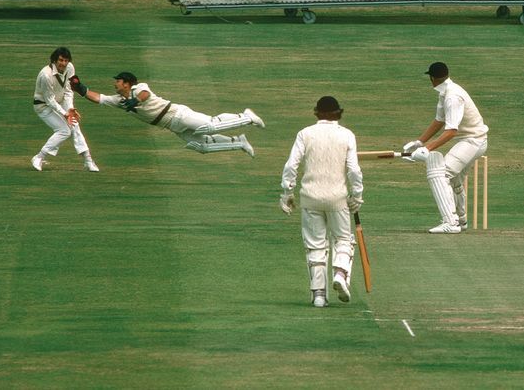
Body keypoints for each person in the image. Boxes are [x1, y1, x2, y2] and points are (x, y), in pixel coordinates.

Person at [280, 96, 363, 308]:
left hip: (310, 197)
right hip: (337, 198)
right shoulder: (346, 135)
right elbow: (353, 170)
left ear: (317, 112)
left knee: (315, 245)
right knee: (343, 240)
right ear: (338, 113)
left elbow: (291, 166)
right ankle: (340, 273)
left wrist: (286, 193)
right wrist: (357, 195)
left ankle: (318, 295)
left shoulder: (305, 133)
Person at [69, 72, 264, 157]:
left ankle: (245, 117)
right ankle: (239, 142)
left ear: (127, 83)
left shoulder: (138, 88)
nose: (115, 84)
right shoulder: (119, 101)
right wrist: (79, 88)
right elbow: (98, 98)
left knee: (211, 125)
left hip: (178, 114)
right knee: (203, 147)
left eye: (118, 81)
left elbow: (145, 95)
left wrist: (135, 101)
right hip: (172, 126)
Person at [403, 62, 488, 234]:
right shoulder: (446, 92)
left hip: (473, 141)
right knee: (454, 177)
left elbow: (451, 131)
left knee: (441, 173)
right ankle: (461, 221)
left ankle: (451, 222)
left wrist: (427, 149)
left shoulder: (452, 96)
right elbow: (439, 121)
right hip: (471, 140)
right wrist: (420, 142)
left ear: (432, 79)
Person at [32, 47, 99, 173]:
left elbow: (69, 91)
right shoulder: (45, 75)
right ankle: (39, 157)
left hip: (60, 102)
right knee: (64, 130)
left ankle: (88, 160)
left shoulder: (70, 68)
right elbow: (49, 100)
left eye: (66, 60)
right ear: (54, 60)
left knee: (74, 125)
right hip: (43, 106)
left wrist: (70, 109)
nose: (63, 63)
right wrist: (65, 113)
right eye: (61, 60)